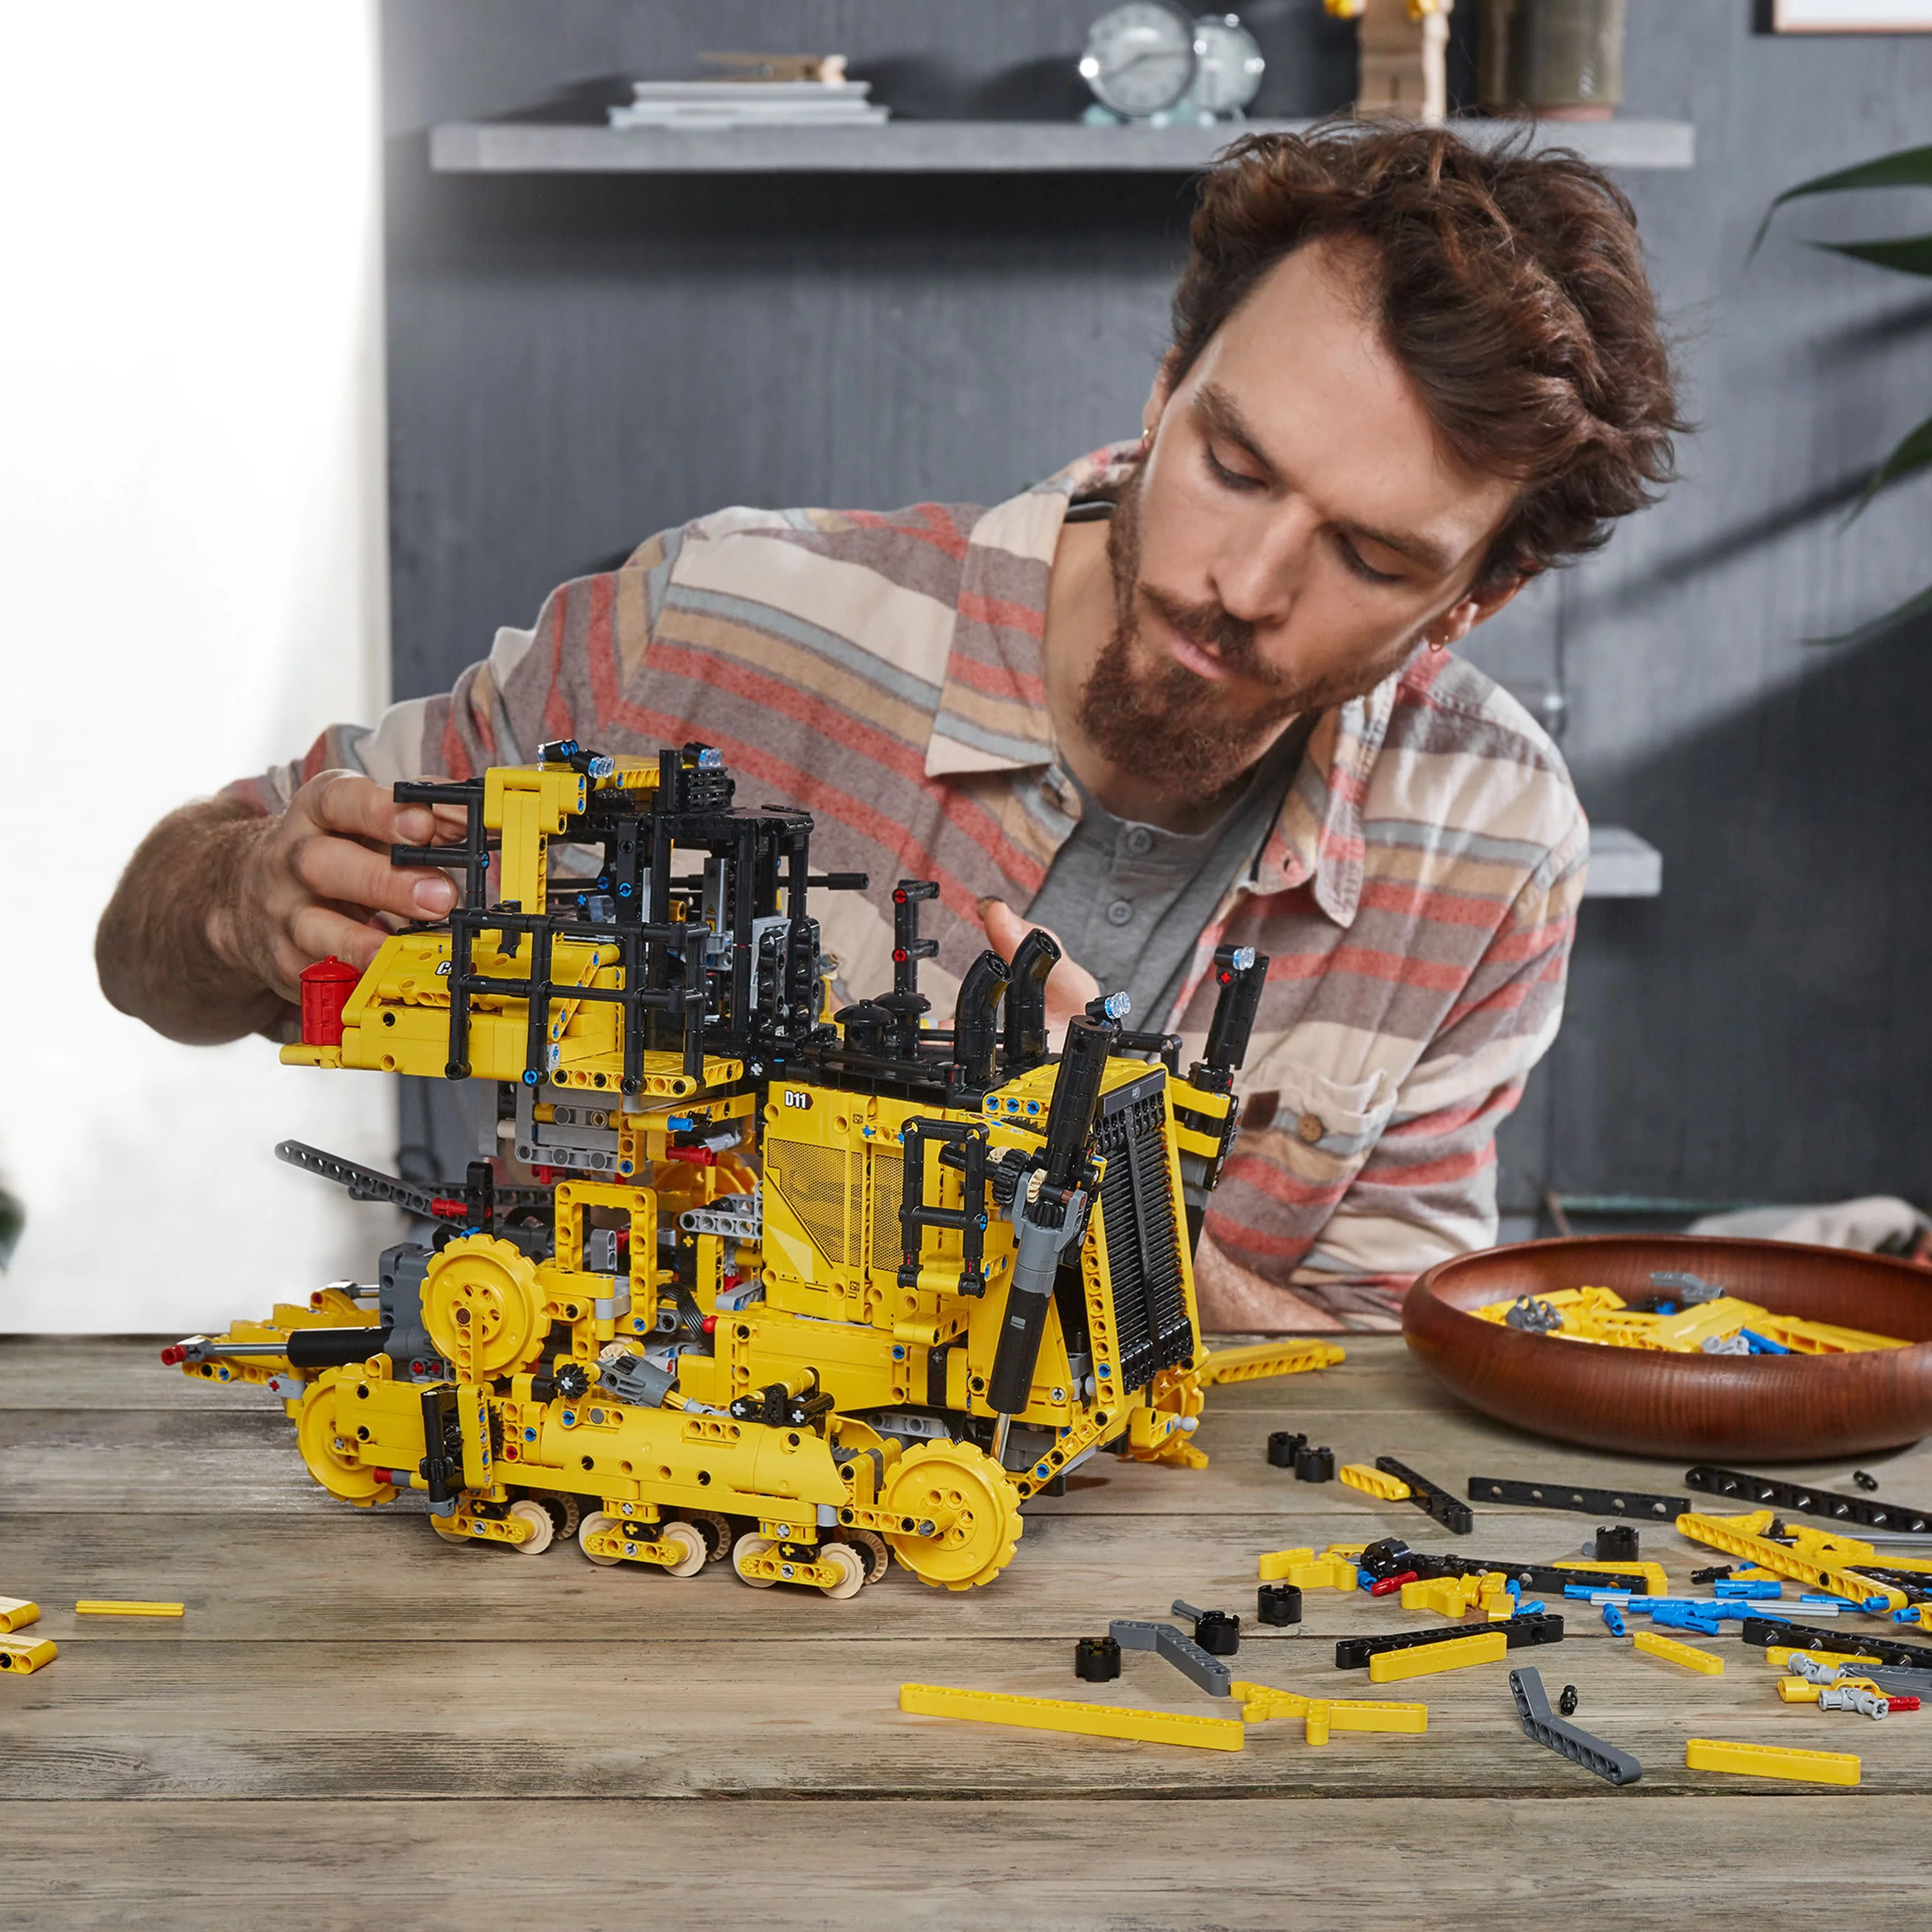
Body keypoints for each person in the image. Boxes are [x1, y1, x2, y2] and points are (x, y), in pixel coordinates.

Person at [95, 124, 1683, 1332]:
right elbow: (145, 948)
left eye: (1370, 555)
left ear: (1476, 599)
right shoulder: (718, 619)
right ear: (1163, 392)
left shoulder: (1489, 836)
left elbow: (1363, 1385)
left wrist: (1105, 1200)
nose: (1243, 583)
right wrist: (248, 900)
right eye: (1238, 466)